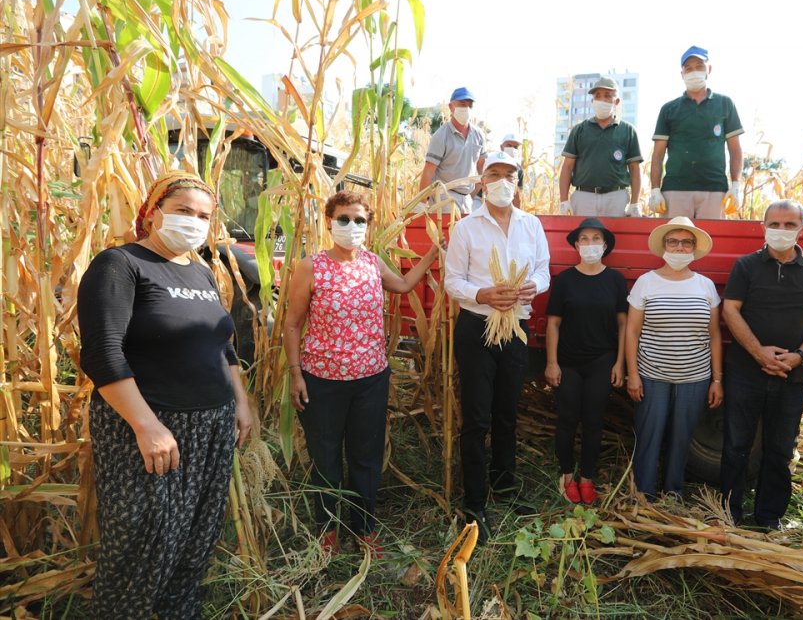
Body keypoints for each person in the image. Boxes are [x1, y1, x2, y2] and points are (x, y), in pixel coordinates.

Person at [78, 174, 253, 618]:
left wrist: (241, 402)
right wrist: (147, 425)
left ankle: (179, 610)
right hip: (151, 426)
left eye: (202, 216)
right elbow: (102, 352)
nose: (193, 222)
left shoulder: (200, 271)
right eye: (182, 210)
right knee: (142, 538)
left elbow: (223, 345)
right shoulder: (121, 264)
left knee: (197, 535)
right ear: (154, 210)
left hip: (212, 425)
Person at [282, 190, 438, 555]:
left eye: (359, 220)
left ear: (368, 225)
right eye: (343, 219)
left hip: (370, 380)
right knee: (326, 457)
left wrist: (432, 254)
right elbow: (292, 324)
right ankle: (329, 531)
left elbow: (402, 286)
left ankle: (364, 527)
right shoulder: (310, 267)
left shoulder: (372, 262)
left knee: (366, 456)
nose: (351, 226)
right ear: (329, 222)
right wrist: (296, 374)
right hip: (322, 380)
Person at [444, 151, 550, 543]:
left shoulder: (531, 225)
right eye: (495, 174)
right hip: (477, 328)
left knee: (507, 412)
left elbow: (543, 269)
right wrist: (483, 294)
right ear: (482, 180)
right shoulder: (466, 228)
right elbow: (453, 282)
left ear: (517, 182)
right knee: (477, 419)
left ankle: (505, 487)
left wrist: (531, 287)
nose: (503, 181)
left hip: (515, 328)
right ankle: (474, 502)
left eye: (510, 175)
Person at [720, 200, 803, 530]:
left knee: (781, 449)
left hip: (792, 376)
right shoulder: (746, 266)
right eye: (774, 224)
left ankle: (769, 518)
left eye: (789, 224)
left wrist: (798, 356)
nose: (781, 230)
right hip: (745, 372)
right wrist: (758, 353)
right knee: (736, 446)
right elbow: (731, 310)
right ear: (763, 226)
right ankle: (729, 513)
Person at [625, 217, 723, 500]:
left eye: (686, 242)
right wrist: (633, 374)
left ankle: (673, 492)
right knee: (649, 437)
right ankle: (644, 494)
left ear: (693, 248)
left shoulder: (705, 286)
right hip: (652, 375)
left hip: (695, 376)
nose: (679, 248)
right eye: (673, 242)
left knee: (682, 439)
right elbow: (632, 332)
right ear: (664, 246)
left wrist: (717, 379)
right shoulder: (646, 282)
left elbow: (714, 334)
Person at [545, 218, 627, 505]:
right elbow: (553, 323)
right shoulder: (565, 279)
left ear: (605, 245)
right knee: (567, 419)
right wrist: (551, 362)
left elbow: (623, 323)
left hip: (601, 361)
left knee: (593, 420)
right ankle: (567, 475)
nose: (590, 243)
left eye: (596, 239)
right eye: (584, 239)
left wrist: (619, 363)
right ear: (576, 245)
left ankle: (587, 478)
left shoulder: (615, 280)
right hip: (568, 361)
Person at [649, 46, 744, 219]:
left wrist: (736, 185)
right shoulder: (669, 109)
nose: (694, 72)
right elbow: (658, 154)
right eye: (689, 68)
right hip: (675, 189)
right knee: (674, 243)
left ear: (709, 69)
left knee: (711, 243)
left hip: (715, 189)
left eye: (699, 66)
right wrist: (655, 189)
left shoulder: (725, 104)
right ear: (682, 74)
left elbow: (735, 150)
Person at [558, 77, 643, 218]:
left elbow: (635, 169)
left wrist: (634, 203)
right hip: (584, 196)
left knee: (617, 239)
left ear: (617, 101)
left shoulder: (628, 130)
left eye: (607, 96)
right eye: (597, 96)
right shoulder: (579, 130)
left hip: (617, 197)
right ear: (592, 101)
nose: (602, 100)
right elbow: (567, 167)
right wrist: (564, 200)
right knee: (585, 237)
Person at [419, 86, 486, 213]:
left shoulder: (478, 135)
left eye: (469, 105)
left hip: (467, 198)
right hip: (444, 196)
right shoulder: (441, 136)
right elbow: (428, 171)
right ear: (451, 106)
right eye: (462, 104)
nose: (466, 109)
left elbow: (482, 166)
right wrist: (422, 204)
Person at [472, 132, 525, 210]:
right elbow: (478, 183)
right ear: (501, 146)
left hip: (504, 201)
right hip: (480, 199)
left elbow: (517, 195)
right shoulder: (489, 162)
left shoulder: (519, 170)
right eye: (509, 145)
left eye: (515, 147)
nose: (512, 149)